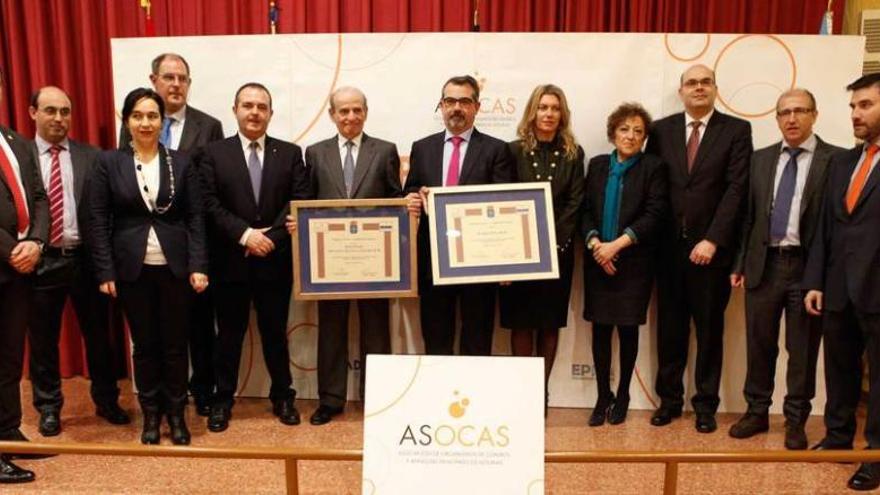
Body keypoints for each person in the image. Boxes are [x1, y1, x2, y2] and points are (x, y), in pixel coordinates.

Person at [286, 87, 420, 425]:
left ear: (366, 112)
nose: (350, 117)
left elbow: (394, 197)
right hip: (330, 262)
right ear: (332, 114)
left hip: (374, 260)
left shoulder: (385, 150)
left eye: (357, 110)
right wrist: (296, 224)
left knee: (377, 329)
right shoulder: (314, 154)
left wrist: (408, 204)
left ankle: (377, 398)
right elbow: (307, 200)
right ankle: (330, 400)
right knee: (330, 329)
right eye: (343, 111)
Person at [88, 87, 208, 445]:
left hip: (175, 268)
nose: (145, 122)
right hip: (131, 270)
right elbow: (97, 219)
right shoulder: (109, 163)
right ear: (127, 120)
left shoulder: (181, 162)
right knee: (144, 346)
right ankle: (151, 416)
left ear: (162, 121)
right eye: (138, 115)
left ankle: (177, 414)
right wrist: (105, 271)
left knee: (175, 344)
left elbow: (196, 218)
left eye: (152, 116)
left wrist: (198, 264)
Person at [729, 89, 842, 450]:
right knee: (759, 344)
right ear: (776, 119)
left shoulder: (835, 160)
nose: (791, 119)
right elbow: (747, 218)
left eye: (799, 111)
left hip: (808, 271)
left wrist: (824, 277)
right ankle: (756, 412)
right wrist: (739, 263)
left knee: (802, 350)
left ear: (814, 114)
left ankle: (795, 420)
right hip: (764, 265)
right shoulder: (761, 159)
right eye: (784, 113)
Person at [646, 64, 752, 433]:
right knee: (670, 331)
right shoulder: (660, 130)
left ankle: (705, 405)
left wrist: (713, 238)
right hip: (668, 250)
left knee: (709, 331)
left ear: (715, 89)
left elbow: (737, 189)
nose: (699, 88)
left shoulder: (736, 130)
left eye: (706, 82)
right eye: (691, 83)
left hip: (712, 252)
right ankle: (669, 401)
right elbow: (655, 184)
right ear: (681, 92)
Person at [200, 82, 309, 432]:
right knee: (228, 336)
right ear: (235, 110)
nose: (255, 112)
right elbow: (209, 204)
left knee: (275, 333)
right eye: (247, 105)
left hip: (274, 261)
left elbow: (298, 201)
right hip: (230, 261)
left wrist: (270, 239)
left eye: (262, 106)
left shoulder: (291, 153)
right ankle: (222, 400)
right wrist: (245, 235)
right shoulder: (214, 153)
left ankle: (283, 396)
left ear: (271, 114)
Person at [120, 52, 224, 417]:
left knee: (197, 326)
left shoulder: (209, 126)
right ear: (154, 80)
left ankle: (203, 392)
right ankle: (160, 401)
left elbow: (210, 188)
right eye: (168, 77)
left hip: (191, 246)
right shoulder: (135, 121)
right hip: (144, 251)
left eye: (182, 78)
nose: (176, 84)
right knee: (153, 335)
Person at [26, 86, 130, 438]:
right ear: (32, 113)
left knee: (100, 337)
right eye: (51, 110)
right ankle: (50, 408)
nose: (59, 118)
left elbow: (108, 212)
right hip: (41, 262)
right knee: (43, 341)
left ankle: (106, 400)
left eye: (65, 111)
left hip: (87, 259)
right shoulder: (19, 156)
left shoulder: (93, 157)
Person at [804, 72, 880, 491]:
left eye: (865, 105)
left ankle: (875, 457)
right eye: (853, 106)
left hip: (877, 288)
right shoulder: (845, 161)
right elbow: (826, 229)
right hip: (837, 288)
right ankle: (838, 437)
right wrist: (815, 280)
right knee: (839, 369)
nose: (855, 114)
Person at [404, 75, 516, 356]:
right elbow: (411, 191)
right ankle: (439, 396)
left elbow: (504, 206)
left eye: (465, 101)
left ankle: (473, 398)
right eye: (450, 101)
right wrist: (417, 196)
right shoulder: (422, 147)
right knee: (436, 335)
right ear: (441, 106)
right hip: (434, 258)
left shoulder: (496, 150)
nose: (457, 107)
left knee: (477, 337)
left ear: (477, 107)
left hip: (479, 262)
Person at [581, 103, 668, 426]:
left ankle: (624, 393)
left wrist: (616, 245)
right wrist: (595, 245)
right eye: (624, 129)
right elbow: (586, 209)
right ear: (613, 132)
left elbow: (655, 214)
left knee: (628, 330)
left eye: (637, 131)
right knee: (600, 331)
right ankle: (603, 395)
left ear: (645, 137)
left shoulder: (654, 168)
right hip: (597, 260)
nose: (630, 136)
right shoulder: (598, 164)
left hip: (633, 263)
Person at [499, 84, 584, 410]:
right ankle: (523, 392)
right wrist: (521, 248)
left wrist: (550, 244)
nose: (549, 114)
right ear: (532, 111)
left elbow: (575, 203)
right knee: (521, 322)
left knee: (549, 323)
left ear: (563, 114)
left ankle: (540, 393)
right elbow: (503, 200)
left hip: (558, 254)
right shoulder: (513, 151)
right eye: (543, 107)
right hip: (516, 254)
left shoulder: (574, 153)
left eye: (555, 108)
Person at [0, 67, 48, 484]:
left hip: (21, 270)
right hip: (5, 261)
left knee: (11, 358)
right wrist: (12, 250)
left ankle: (9, 431)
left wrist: (36, 242)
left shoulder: (16, 140)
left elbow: (39, 198)